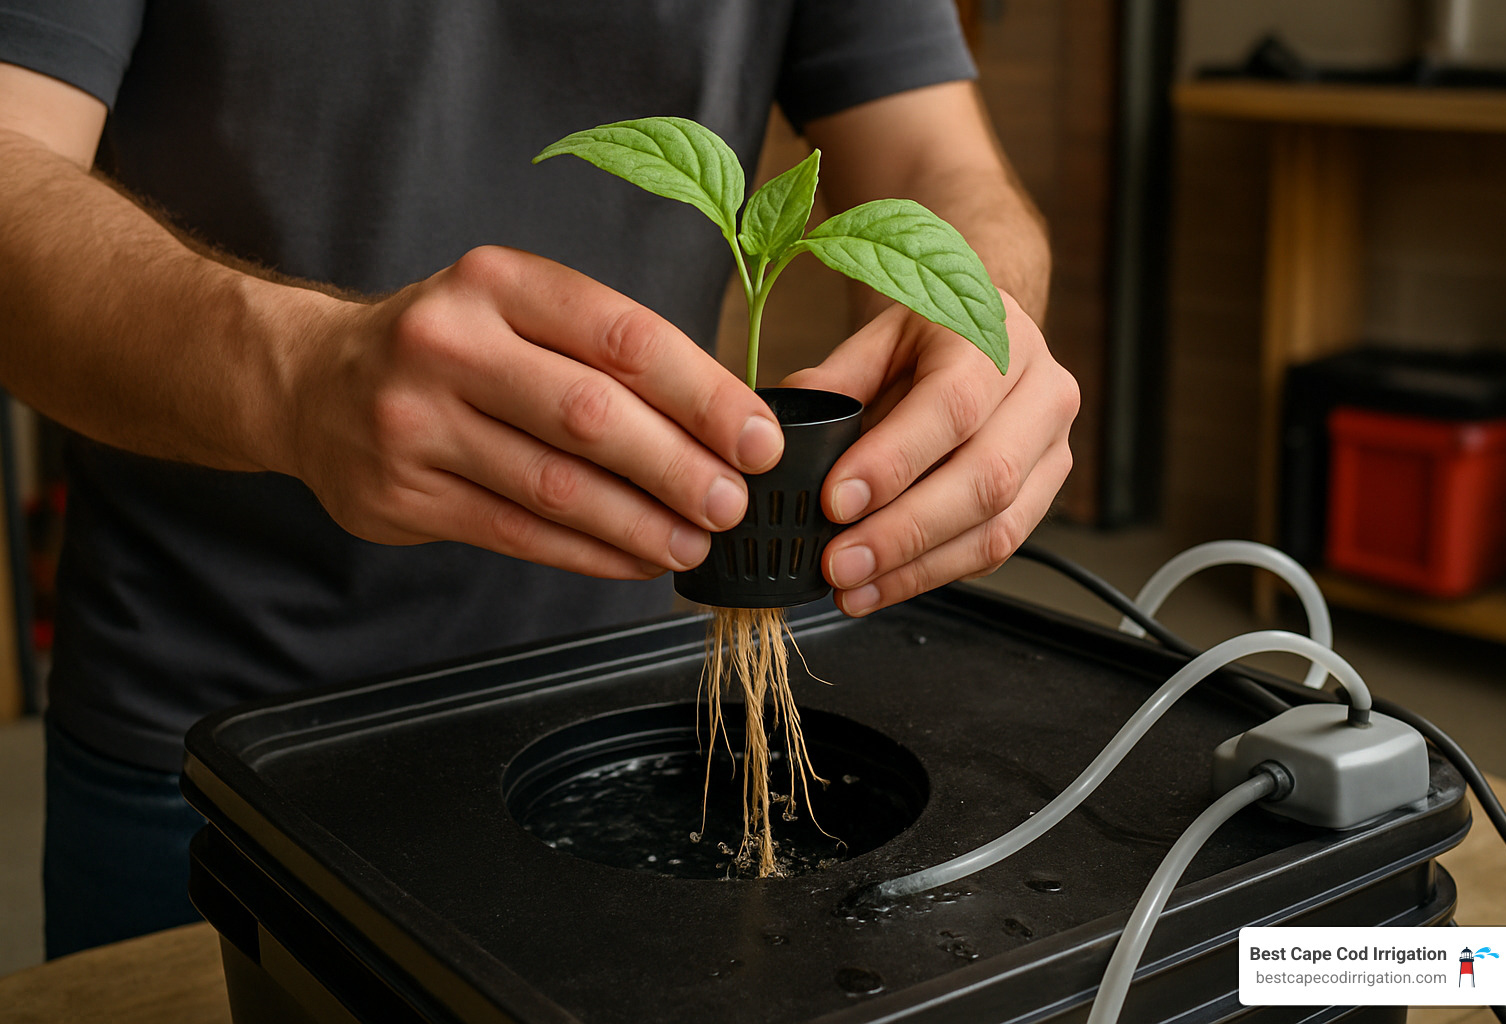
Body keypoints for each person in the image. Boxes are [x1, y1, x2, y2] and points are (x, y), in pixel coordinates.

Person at [0, 1, 1077, 957]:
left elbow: (942, 161)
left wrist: (981, 314)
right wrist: (297, 374)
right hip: (219, 730)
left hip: (645, 692)